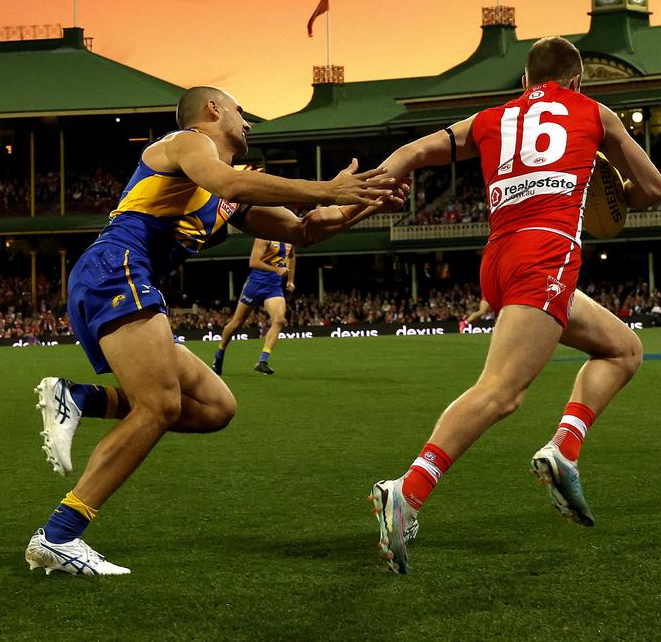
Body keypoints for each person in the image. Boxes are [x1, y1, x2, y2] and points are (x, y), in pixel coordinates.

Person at [25, 85, 402, 577]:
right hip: (115, 270)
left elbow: (304, 230)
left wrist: (367, 202)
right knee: (160, 406)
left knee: (216, 408)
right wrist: (329, 187)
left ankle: (79, 397)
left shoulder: (231, 187)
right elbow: (228, 183)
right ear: (212, 109)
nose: (248, 123)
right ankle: (59, 534)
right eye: (241, 111)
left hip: (120, 278)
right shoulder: (185, 143)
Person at [363, 36, 661, 574]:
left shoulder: (491, 117)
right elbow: (654, 190)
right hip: (547, 252)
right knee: (501, 393)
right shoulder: (595, 112)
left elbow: (411, 153)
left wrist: (377, 189)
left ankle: (563, 450)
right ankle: (405, 492)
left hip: (500, 255)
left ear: (525, 82)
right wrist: (615, 189)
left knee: (623, 349)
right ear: (577, 81)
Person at [212, 239, 295, 375]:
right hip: (255, 285)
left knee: (279, 320)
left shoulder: (287, 238)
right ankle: (220, 353)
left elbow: (291, 257)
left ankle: (262, 361)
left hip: (274, 287)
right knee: (237, 323)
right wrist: (276, 269)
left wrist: (291, 280)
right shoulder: (264, 236)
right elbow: (253, 262)